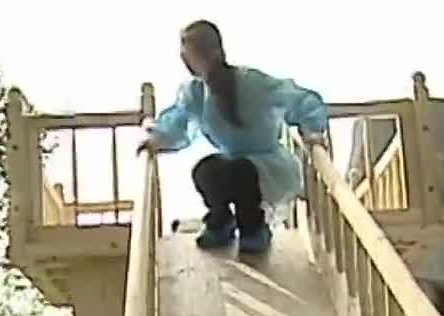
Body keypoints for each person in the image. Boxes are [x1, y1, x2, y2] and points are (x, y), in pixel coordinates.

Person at [137, 20, 329, 254]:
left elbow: (300, 100)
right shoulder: (195, 93)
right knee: (205, 170)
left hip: (268, 164)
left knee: (241, 171)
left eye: (194, 55)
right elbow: (178, 122)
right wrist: (157, 139)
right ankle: (221, 222)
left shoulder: (252, 83)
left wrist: (312, 129)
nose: (190, 62)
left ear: (214, 51)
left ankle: (254, 229)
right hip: (234, 164)